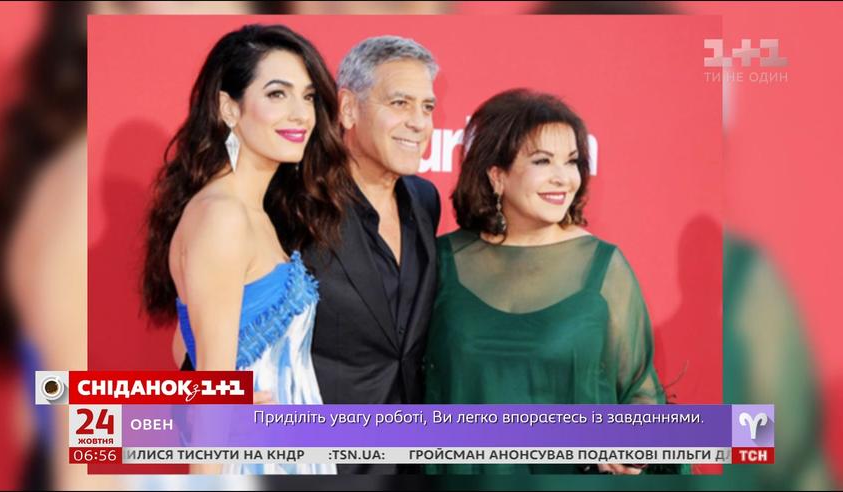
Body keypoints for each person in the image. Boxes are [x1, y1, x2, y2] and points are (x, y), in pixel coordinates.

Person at [141, 23, 352, 474]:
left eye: (308, 97)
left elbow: (186, 347)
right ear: (228, 108)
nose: (301, 114)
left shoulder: (253, 212)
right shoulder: (223, 217)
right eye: (277, 94)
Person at [424, 89, 667, 475]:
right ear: (497, 176)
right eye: (542, 160)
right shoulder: (440, 260)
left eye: (571, 161)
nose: (563, 178)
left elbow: (640, 390)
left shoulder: (604, 267)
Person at [270, 35, 441, 474]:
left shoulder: (425, 201)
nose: (418, 122)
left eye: (427, 107)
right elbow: (205, 332)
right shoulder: (292, 204)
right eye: (400, 103)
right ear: (347, 108)